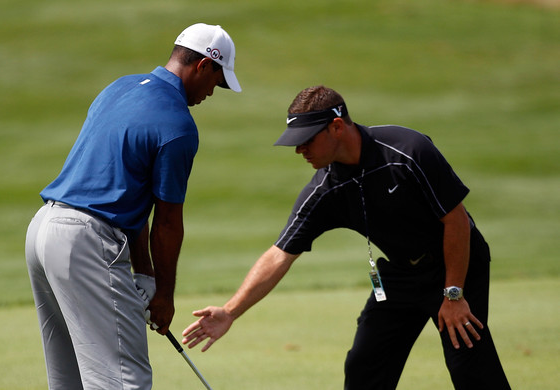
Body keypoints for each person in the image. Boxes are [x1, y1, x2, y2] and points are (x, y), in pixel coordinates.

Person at [182, 86, 511, 389]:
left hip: (456, 265)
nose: (299, 149)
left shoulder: (407, 151)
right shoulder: (326, 190)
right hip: (399, 275)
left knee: (469, 364)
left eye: (307, 139)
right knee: (364, 366)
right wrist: (231, 311)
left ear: (337, 127)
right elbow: (279, 255)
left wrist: (453, 294)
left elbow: (455, 221)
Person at [24, 23, 241, 390]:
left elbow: (126, 192)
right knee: (124, 382)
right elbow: (167, 222)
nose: (212, 93)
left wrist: (145, 275)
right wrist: (165, 299)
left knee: (69, 379)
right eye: (217, 83)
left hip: (43, 230)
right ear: (204, 66)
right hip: (85, 243)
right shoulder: (178, 126)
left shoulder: (119, 87)